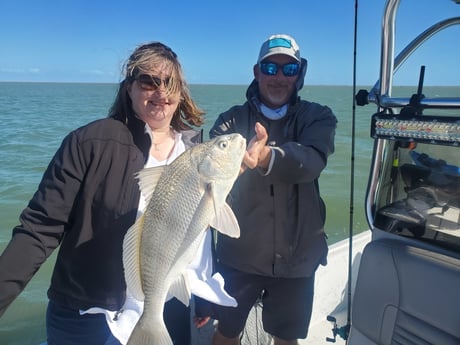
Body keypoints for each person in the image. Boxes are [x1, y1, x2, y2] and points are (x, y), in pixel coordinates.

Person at [0, 42, 206, 345]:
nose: (161, 93)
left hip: (166, 306)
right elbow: (39, 230)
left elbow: (200, 235)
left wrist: (205, 297)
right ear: (129, 88)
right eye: (149, 80)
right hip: (87, 314)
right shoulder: (88, 143)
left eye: (170, 83)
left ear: (181, 91)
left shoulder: (195, 155)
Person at [197, 34, 338, 345]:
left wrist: (265, 156)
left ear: (300, 74)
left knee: (285, 338)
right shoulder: (229, 122)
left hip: (298, 258)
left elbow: (312, 161)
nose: (278, 77)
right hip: (239, 256)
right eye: (270, 68)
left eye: (289, 69)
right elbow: (208, 182)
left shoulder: (319, 117)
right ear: (256, 71)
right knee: (226, 331)